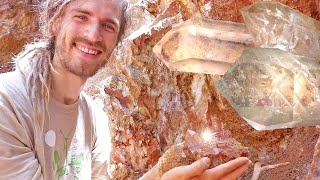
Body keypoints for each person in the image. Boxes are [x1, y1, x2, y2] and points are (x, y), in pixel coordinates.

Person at [0, 0, 251, 179]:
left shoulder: (94, 118)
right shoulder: (7, 103)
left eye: (108, 26)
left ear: (116, 43)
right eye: (82, 17)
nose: (93, 35)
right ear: (55, 22)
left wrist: (160, 175)